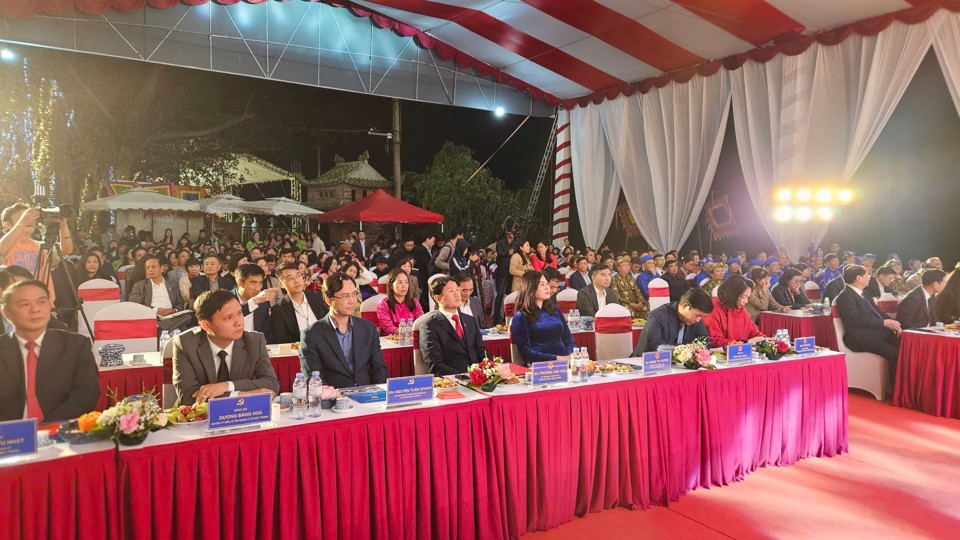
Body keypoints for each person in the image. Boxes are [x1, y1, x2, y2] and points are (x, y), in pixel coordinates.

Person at [0, 280, 99, 422]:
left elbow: (86, 393)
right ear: (6, 313)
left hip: (61, 432)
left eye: (41, 302)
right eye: (25, 304)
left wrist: (47, 428)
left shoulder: (76, 345)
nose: (35, 309)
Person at [171, 289, 280, 406]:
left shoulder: (254, 341)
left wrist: (227, 386)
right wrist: (241, 395)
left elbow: (271, 384)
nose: (239, 322)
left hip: (242, 415)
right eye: (229, 317)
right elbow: (188, 397)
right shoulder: (185, 344)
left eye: (239, 313)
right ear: (206, 325)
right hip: (199, 418)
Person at [299, 273, 388, 388]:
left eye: (354, 294)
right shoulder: (311, 335)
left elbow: (379, 368)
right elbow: (312, 377)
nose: (352, 301)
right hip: (333, 398)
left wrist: (377, 393)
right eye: (345, 296)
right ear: (328, 300)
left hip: (367, 394)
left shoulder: (368, 328)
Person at [834, 265, 901, 385]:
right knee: (895, 354)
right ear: (858, 278)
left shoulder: (865, 293)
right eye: (867, 275)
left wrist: (895, 324)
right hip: (861, 338)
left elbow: (878, 313)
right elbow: (856, 319)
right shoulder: (845, 296)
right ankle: (896, 389)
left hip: (877, 333)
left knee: (905, 345)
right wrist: (884, 323)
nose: (870, 277)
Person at [419, 276, 486, 375]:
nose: (457, 294)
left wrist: (488, 368)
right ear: (438, 298)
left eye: (457, 290)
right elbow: (436, 364)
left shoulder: (470, 320)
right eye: (451, 291)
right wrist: (463, 377)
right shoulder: (429, 326)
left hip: (478, 377)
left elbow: (481, 351)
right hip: (453, 380)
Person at [510, 270, 575, 366]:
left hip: (565, 363)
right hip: (540, 367)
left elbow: (569, 340)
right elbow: (526, 353)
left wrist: (570, 355)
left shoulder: (555, 310)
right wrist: (557, 358)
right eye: (542, 284)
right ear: (530, 288)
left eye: (547, 284)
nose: (547, 287)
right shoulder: (521, 316)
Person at [631, 288, 713, 355]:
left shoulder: (695, 320)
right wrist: (684, 350)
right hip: (646, 364)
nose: (698, 320)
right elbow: (654, 345)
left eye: (702, 317)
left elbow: (705, 342)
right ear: (685, 306)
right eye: (697, 315)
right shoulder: (658, 315)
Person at [269, 262, 325, 344]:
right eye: (290, 278)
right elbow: (280, 341)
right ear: (281, 284)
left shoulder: (318, 298)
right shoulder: (278, 310)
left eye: (298, 275)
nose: (296, 281)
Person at [704, 275, 766, 347]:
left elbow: (752, 331)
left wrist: (763, 339)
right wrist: (744, 343)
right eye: (744, 297)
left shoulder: (738, 307)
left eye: (748, 297)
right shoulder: (714, 309)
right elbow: (714, 340)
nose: (746, 301)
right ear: (732, 294)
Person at [376, 268, 424, 336]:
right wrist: (408, 332)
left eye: (406, 282)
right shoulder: (383, 305)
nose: (404, 286)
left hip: (412, 339)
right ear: (391, 286)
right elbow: (388, 328)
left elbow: (421, 323)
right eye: (400, 282)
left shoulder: (414, 302)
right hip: (390, 342)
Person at [234, 263, 276, 335]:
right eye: (253, 283)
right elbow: (233, 315)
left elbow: (266, 333)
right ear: (240, 283)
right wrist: (254, 301)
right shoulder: (225, 300)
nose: (258, 288)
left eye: (260, 283)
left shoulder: (263, 304)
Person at [493, 230, 515, 324]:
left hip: (511, 273)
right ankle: (496, 317)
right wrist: (508, 253)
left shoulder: (514, 243)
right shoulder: (501, 242)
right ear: (507, 233)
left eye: (514, 233)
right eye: (511, 233)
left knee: (510, 295)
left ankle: (507, 316)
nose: (513, 235)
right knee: (500, 295)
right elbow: (500, 253)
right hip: (502, 272)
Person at [412, 233, 435, 311]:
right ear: (427, 239)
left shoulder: (427, 250)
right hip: (422, 278)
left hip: (426, 278)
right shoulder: (420, 250)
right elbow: (422, 266)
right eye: (432, 241)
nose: (433, 243)